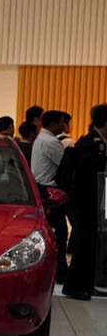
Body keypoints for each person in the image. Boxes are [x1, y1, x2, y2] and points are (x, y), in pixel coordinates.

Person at [60, 104, 107, 300]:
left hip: (93, 201)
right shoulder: (91, 145)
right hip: (84, 202)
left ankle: (86, 284)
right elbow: (85, 179)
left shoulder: (94, 142)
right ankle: (73, 286)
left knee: (90, 242)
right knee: (84, 242)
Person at [31, 110, 71, 282]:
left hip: (42, 188)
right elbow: (65, 165)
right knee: (60, 233)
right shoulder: (51, 142)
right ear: (54, 124)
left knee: (53, 231)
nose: (64, 125)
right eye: (62, 122)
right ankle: (60, 271)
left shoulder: (41, 138)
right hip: (51, 191)